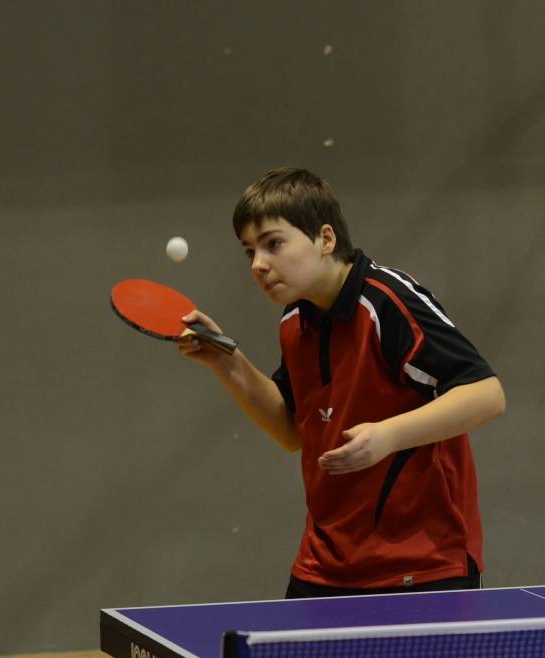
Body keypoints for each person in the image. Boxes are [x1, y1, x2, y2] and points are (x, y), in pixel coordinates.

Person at [179, 168, 505, 597]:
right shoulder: (296, 320)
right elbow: (292, 430)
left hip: (422, 564)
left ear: (325, 239)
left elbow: (486, 394)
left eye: (273, 244)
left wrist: (389, 435)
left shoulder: (387, 302)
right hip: (325, 565)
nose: (258, 264)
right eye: (249, 252)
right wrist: (228, 363)